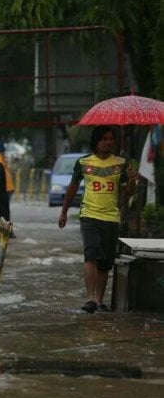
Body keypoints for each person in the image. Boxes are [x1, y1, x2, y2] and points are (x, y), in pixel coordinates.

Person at [58, 125, 137, 313]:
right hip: (89, 216)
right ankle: (90, 298)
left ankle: (100, 300)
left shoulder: (121, 164)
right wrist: (64, 212)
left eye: (111, 139)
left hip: (111, 217)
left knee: (105, 262)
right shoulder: (83, 163)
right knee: (91, 254)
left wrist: (132, 181)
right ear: (96, 141)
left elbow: (127, 193)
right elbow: (72, 188)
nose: (109, 142)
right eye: (105, 139)